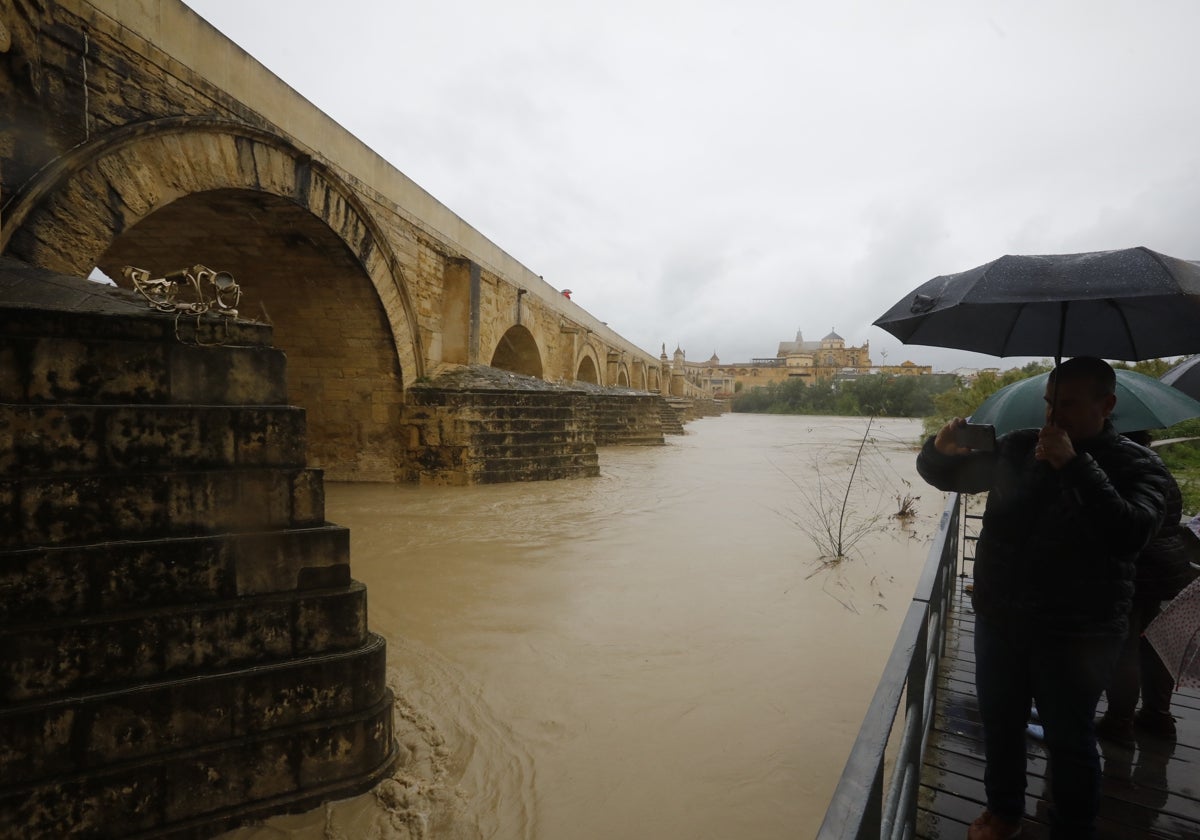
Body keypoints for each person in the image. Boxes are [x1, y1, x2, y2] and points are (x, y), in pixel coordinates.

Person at [916, 357, 1171, 840]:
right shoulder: (1019, 447)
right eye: (1051, 403)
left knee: (1070, 739)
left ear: (1107, 405)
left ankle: (1071, 828)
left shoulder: (1139, 465)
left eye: (1070, 406)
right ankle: (1004, 811)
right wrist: (939, 451)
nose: (1055, 417)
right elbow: (953, 478)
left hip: (1079, 630)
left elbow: (1130, 533)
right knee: (1001, 723)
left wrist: (1075, 466)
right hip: (1000, 616)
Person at [1096, 430, 1200, 743]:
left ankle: (1119, 719)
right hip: (1168, 568)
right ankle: (1158, 714)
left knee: (1125, 646)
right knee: (1156, 642)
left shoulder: (1123, 470)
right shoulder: (1161, 469)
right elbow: (1174, 515)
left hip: (1136, 569)